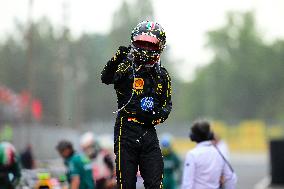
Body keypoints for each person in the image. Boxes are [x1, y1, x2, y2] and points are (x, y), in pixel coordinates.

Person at [101, 21, 172, 188]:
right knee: (126, 184)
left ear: (159, 47)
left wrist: (153, 118)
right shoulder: (125, 66)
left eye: (150, 45)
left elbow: (167, 107)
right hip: (125, 130)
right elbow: (106, 78)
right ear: (134, 42)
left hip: (148, 131)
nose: (146, 49)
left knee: (155, 183)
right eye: (142, 43)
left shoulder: (162, 75)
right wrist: (116, 58)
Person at [181, 121, 237, 189]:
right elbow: (231, 177)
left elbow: (187, 184)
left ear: (193, 137)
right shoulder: (219, 153)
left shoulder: (192, 155)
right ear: (210, 135)